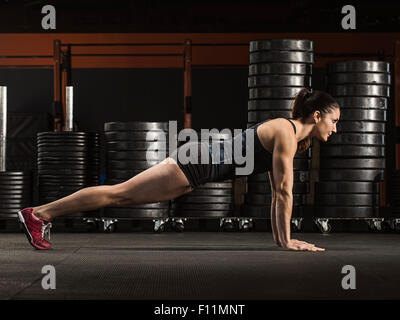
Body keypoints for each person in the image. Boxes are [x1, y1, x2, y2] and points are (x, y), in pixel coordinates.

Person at [17, 88, 340, 251]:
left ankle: (41, 215)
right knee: (118, 195)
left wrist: (282, 240)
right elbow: (283, 192)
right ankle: (40, 214)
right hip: (196, 162)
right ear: (316, 115)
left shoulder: (291, 137)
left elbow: (276, 193)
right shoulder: (285, 132)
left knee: (122, 198)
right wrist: (287, 242)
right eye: (334, 120)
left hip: (198, 168)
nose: (335, 129)